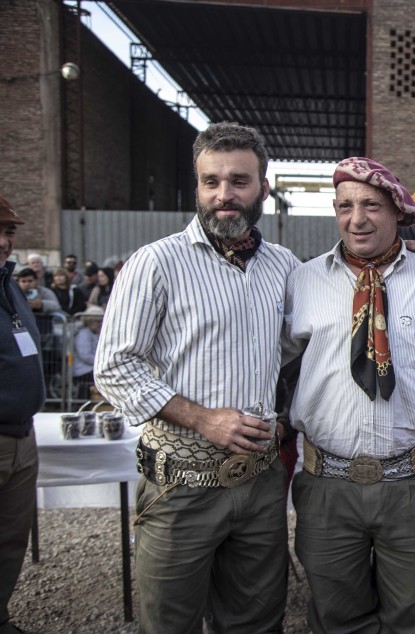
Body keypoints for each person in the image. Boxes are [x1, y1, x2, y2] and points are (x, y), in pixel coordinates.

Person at [95, 122, 299, 633]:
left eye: (239, 181)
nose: (223, 194)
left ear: (263, 188)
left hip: (260, 482)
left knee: (257, 622)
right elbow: (114, 367)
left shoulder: (285, 266)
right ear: (198, 186)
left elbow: (307, 347)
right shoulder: (155, 263)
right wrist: (203, 418)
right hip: (179, 486)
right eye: (211, 181)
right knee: (171, 624)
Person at [283, 156, 415, 633]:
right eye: (345, 206)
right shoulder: (302, 281)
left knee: (412, 619)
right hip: (326, 487)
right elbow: (271, 365)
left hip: (413, 488)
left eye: (371, 206)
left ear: (399, 212)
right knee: (336, 619)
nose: (357, 219)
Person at [0, 195, 45, 634]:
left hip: (22, 435)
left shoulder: (8, 283)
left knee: (12, 537)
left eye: (9, 231)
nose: (3, 241)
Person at [72, 305, 104, 400]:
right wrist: (101, 362)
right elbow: (85, 355)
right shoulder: (83, 334)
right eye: (98, 321)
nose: (100, 324)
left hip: (92, 367)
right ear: (90, 321)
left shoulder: (94, 333)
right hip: (83, 369)